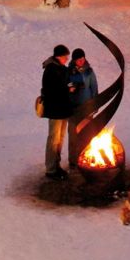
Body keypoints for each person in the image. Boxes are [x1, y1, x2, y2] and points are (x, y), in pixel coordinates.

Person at [40, 44, 76, 176]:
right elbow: (51, 90)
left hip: (63, 108)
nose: (67, 59)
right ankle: (51, 169)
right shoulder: (50, 70)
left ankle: (57, 165)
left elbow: (65, 82)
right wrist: (67, 89)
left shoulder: (61, 68)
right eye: (65, 56)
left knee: (60, 138)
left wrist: (70, 86)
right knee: (53, 139)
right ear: (58, 56)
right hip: (55, 109)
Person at [67, 49, 100, 166]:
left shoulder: (89, 72)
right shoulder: (69, 72)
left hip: (87, 108)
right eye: (78, 59)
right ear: (74, 60)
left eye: (82, 59)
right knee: (73, 135)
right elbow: (65, 86)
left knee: (87, 134)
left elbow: (94, 88)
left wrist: (95, 104)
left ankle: (86, 159)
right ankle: (73, 161)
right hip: (74, 109)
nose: (81, 61)